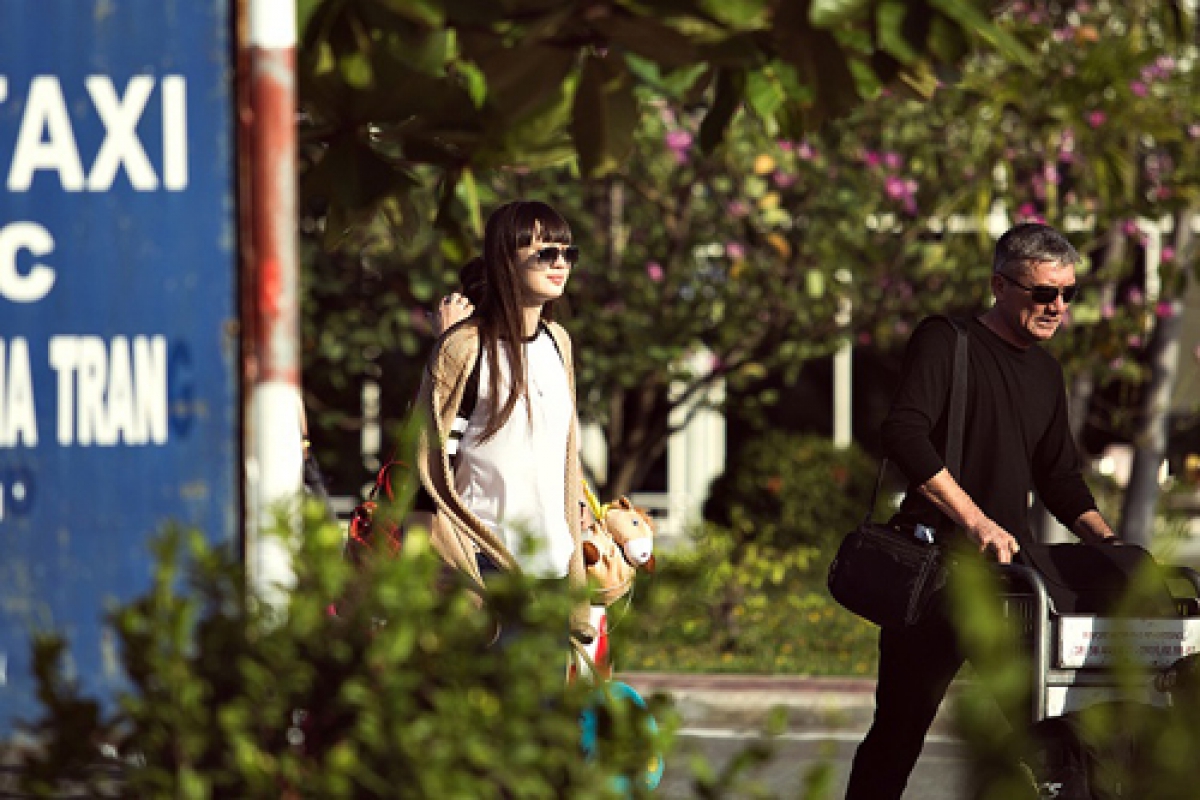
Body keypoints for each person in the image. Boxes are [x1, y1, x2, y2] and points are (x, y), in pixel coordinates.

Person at [845, 222, 1118, 800]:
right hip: (935, 577)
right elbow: (905, 432)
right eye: (1043, 292)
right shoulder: (946, 341)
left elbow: (1059, 478)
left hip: (1009, 586)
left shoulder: (1046, 372)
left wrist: (1109, 543)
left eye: (1068, 293)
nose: (1058, 307)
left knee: (1051, 735)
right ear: (1000, 285)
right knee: (897, 735)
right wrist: (976, 520)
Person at [412, 200, 594, 644]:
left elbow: (563, 455)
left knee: (547, 692)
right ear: (505, 260)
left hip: (553, 567)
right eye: (544, 253)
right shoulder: (465, 348)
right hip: (483, 567)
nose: (560, 264)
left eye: (567, 253)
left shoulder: (558, 344)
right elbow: (428, 465)